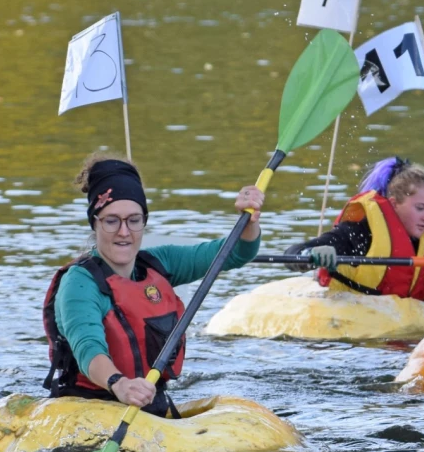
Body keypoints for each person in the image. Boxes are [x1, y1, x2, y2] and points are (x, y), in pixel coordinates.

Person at [42, 154, 264, 417]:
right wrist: (119, 384)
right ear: (95, 223)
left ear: (144, 222)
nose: (124, 232)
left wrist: (248, 222)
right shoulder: (79, 283)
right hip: (90, 405)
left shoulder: (159, 262)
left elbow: (235, 252)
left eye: (134, 220)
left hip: (149, 403)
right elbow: (87, 348)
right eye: (112, 220)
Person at [285, 156, 424, 298]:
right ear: (393, 203)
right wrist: (310, 254)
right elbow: (292, 254)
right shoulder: (358, 232)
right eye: (420, 208)